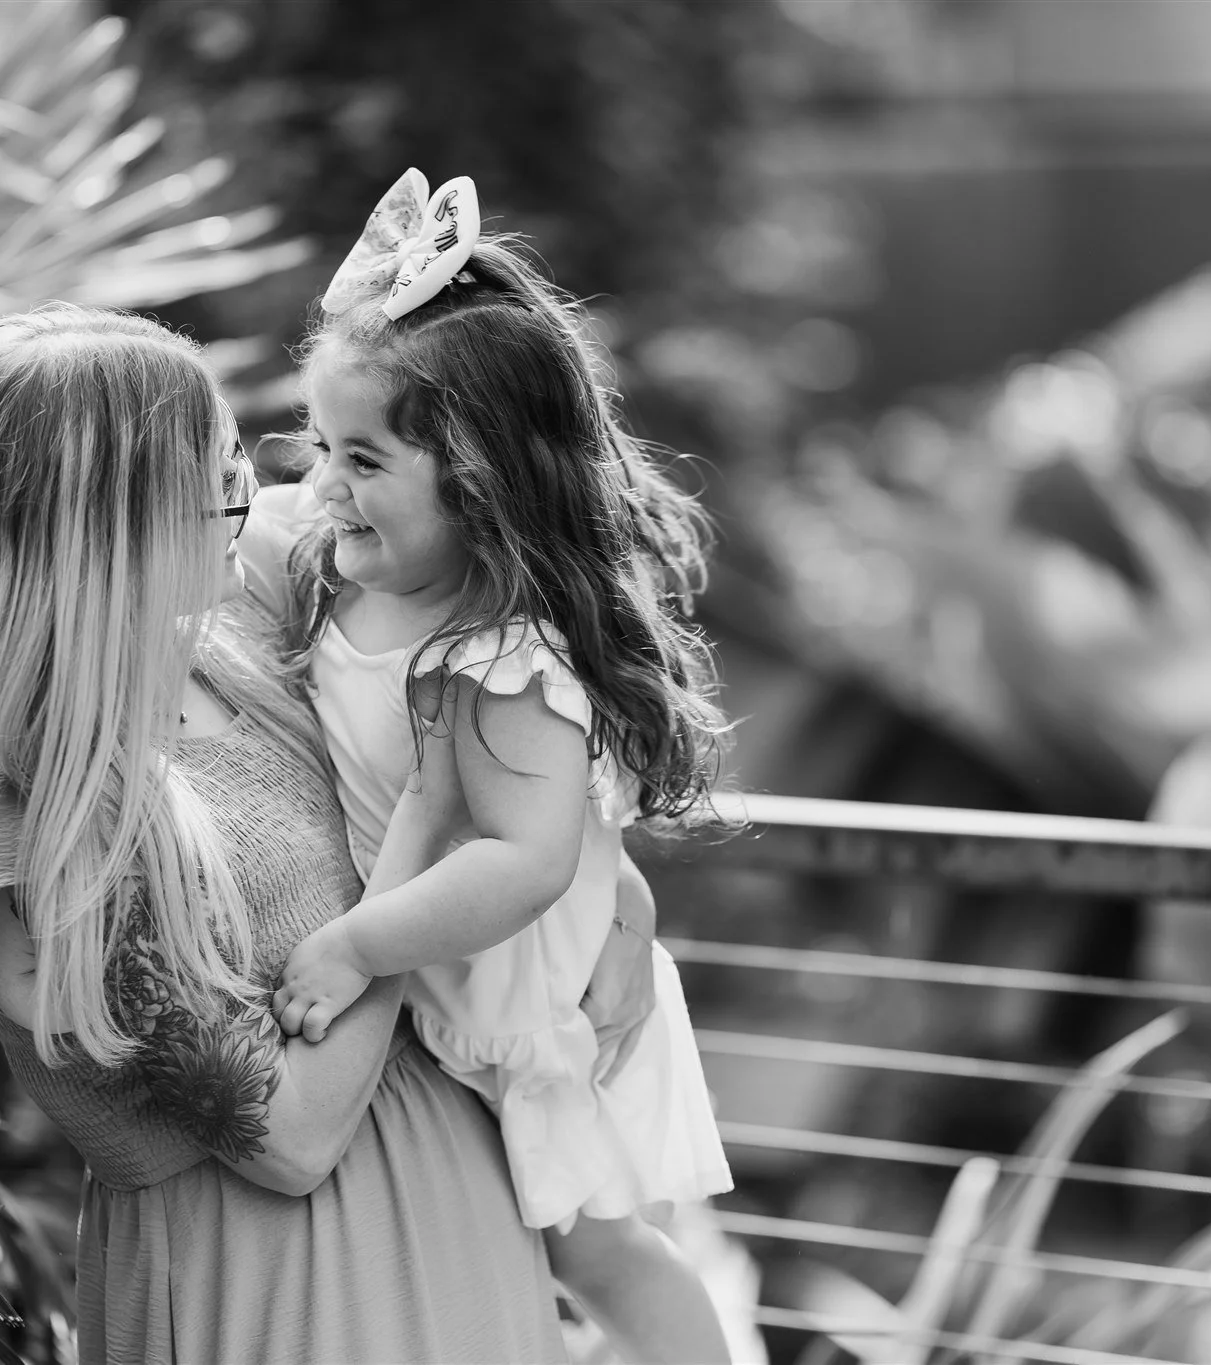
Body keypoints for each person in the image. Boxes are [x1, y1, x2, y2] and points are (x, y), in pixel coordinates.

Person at [0, 305, 584, 1364]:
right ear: (112, 520)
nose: (268, 501)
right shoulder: (53, 810)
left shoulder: (239, 650)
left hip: (452, 1199)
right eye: (220, 478)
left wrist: (610, 898)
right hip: (278, 1280)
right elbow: (292, 1137)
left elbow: (509, 776)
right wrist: (423, 842)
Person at [261, 170, 735, 1365]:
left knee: (597, 1252)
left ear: (476, 485)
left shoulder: (500, 654)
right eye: (320, 447)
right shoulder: (344, 573)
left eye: (362, 461)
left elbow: (529, 859)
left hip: (525, 998)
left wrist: (356, 944)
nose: (323, 485)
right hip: (445, 980)